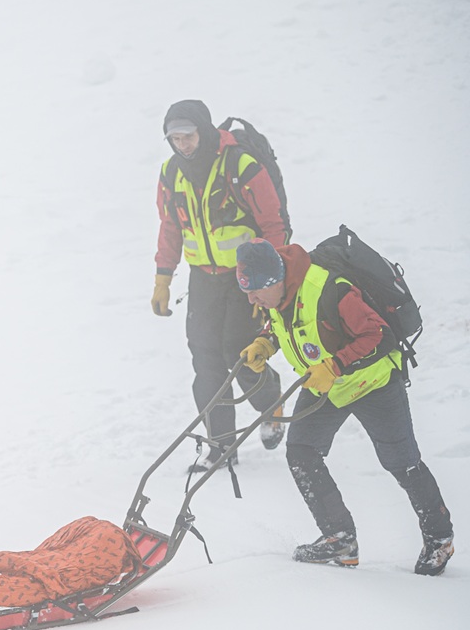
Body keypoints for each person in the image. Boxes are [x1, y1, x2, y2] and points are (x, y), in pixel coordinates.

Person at [234, 240, 454, 575]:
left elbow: (378, 335)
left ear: (276, 279)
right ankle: (339, 539)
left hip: (373, 381)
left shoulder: (330, 290)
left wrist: (335, 366)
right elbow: (288, 323)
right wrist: (266, 341)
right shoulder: (277, 294)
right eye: (245, 291)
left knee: (402, 462)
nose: (251, 299)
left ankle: (440, 538)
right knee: (301, 451)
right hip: (328, 384)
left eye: (255, 291)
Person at [153, 99, 286, 471]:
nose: (182, 144)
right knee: (205, 359)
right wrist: (163, 278)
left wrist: (269, 283)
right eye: (174, 138)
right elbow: (170, 227)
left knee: (239, 353)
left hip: (247, 275)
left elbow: (274, 224)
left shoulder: (239, 165)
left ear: (203, 131)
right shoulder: (170, 174)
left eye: (188, 135)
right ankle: (219, 448)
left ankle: (270, 400)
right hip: (203, 277)